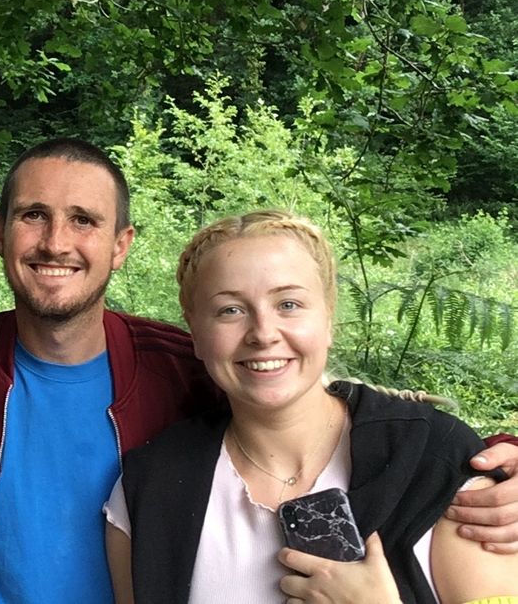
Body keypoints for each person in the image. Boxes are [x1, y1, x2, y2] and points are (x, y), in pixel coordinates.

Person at [0, 137, 518, 603]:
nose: (261, 332)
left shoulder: (175, 365)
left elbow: (292, 387)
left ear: (120, 244)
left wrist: (489, 455)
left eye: (83, 219)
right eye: (34, 215)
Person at [105, 210, 517, 603]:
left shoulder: (434, 464)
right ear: (195, 333)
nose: (263, 333)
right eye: (230, 310)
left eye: (288, 304)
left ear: (328, 318)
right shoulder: (149, 490)